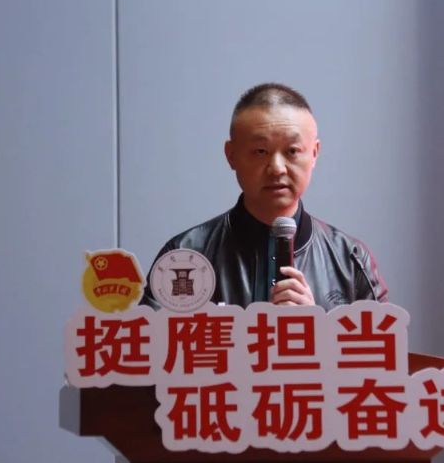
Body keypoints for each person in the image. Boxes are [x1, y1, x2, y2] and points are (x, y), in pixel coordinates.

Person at [143, 83, 388, 310]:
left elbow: (385, 340)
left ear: (314, 153)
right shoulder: (185, 256)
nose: (277, 168)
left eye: (292, 151)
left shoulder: (351, 259)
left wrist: (317, 328)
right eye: (260, 151)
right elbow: (147, 340)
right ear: (231, 155)